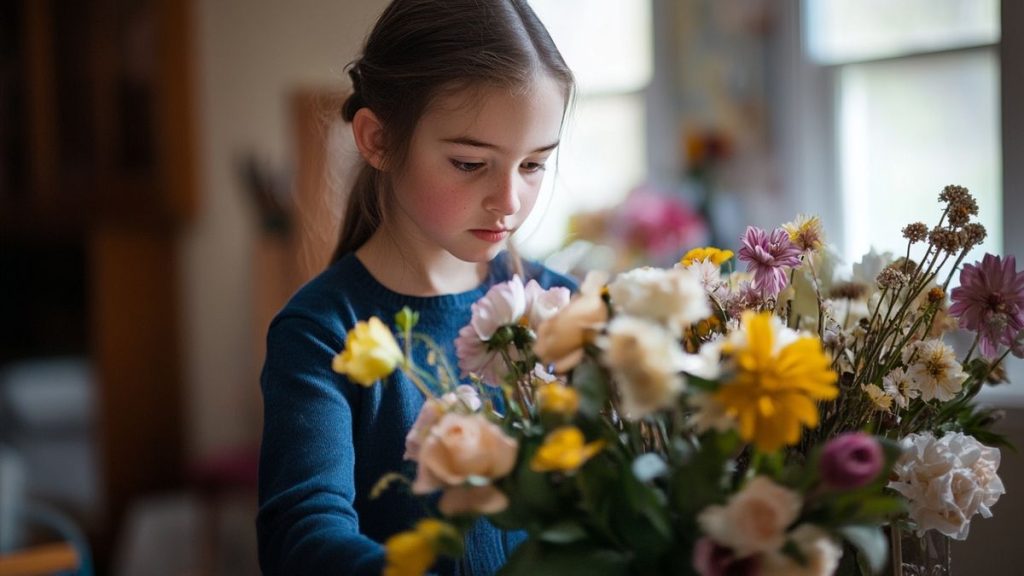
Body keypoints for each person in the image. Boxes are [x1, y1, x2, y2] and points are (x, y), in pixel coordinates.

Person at [256, 1, 577, 574]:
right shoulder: (323, 333)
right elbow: (302, 534)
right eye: (468, 162)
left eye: (532, 166)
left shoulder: (565, 314)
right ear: (377, 139)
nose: (509, 202)